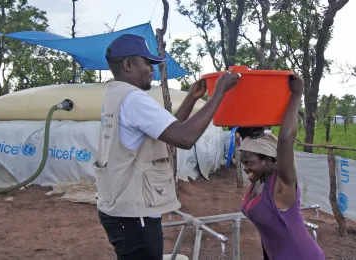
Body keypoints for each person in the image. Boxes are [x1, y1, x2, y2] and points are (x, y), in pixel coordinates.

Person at [94, 34, 240, 260]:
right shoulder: (134, 99)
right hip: (133, 211)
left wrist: (191, 98)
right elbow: (184, 138)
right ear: (128, 64)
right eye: (148, 63)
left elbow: (169, 132)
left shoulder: (116, 95)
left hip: (119, 205)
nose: (151, 69)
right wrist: (219, 92)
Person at [238, 74, 325, 260]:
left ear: (268, 160)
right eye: (242, 163)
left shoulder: (282, 186)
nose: (245, 168)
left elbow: (285, 138)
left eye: (249, 163)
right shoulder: (258, 181)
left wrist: (296, 94)